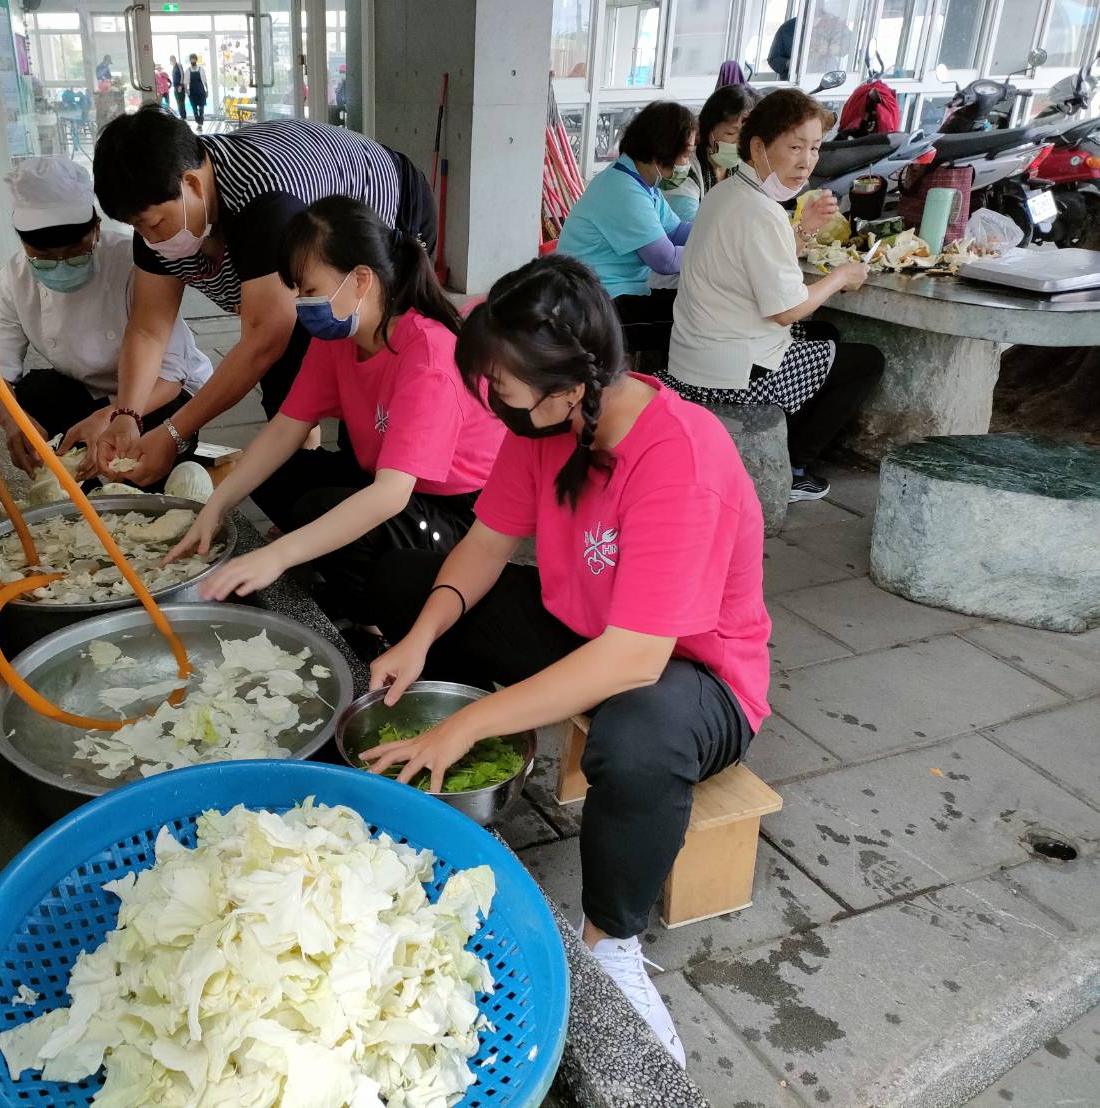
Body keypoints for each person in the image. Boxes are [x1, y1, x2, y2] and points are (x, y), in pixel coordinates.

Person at [362, 253, 771, 1069]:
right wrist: (416, 637)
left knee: (636, 739)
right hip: (589, 631)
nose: (493, 407)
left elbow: (634, 658)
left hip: (694, 676)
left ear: (567, 386)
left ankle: (612, 942)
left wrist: (471, 721)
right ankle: (440, 739)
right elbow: (483, 547)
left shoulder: (678, 457)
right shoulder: (546, 430)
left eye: (504, 392)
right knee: (411, 576)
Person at [166, 196, 503, 629]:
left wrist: (278, 556)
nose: (302, 304)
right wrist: (218, 504)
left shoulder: (428, 355)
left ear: (360, 279)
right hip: (386, 477)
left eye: (309, 290)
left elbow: (390, 495)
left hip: (456, 511)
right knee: (280, 476)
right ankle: (335, 568)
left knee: (328, 513)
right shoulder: (340, 339)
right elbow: (286, 428)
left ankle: (373, 625)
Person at [67, 106, 437, 488]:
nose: (151, 239)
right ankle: (309, 487)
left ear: (192, 184)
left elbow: (265, 340)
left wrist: (174, 433)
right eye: (137, 228)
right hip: (291, 243)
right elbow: (148, 328)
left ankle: (381, 489)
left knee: (370, 366)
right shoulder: (160, 211)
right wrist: (127, 414)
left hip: (389, 202)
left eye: (156, 224)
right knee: (291, 382)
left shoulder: (263, 201)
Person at [664, 89, 884, 502]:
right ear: (759, 146)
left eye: (815, 148)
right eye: (795, 147)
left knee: (825, 333)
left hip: (696, 355)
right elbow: (786, 310)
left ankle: (791, 445)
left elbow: (759, 263)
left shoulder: (729, 193)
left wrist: (805, 231)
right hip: (731, 375)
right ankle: (795, 468)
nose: (807, 161)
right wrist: (840, 277)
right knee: (867, 360)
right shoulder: (758, 209)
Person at [0, 157, 212, 476]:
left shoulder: (133, 263)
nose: (60, 264)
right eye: (43, 257)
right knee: (31, 396)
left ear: (96, 229)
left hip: (158, 394)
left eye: (74, 253)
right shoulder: (14, 278)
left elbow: (169, 375)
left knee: (140, 469)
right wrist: (11, 421)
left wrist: (115, 416)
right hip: (88, 390)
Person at [557, 101, 697, 354]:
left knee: (700, 307)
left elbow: (675, 231)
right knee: (697, 319)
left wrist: (716, 231)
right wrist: (718, 252)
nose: (686, 162)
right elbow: (665, 260)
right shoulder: (622, 189)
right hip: (596, 306)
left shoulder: (642, 182)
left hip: (615, 293)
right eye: (685, 153)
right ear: (662, 150)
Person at [660, 84, 759, 222]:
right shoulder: (683, 169)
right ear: (709, 129)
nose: (739, 142)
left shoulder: (745, 167)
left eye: (746, 134)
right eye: (730, 133)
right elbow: (689, 227)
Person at [186, 54, 208, 129]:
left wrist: (207, 90)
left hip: (201, 91)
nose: (193, 61)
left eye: (194, 59)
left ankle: (200, 124)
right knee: (195, 110)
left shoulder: (201, 69)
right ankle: (198, 122)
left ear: (196, 60)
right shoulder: (188, 70)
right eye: (191, 59)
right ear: (190, 61)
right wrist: (187, 91)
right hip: (192, 93)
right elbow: (185, 82)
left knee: (201, 109)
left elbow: (205, 80)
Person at [170, 55, 188, 121]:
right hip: (175, 87)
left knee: (181, 102)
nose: (172, 60)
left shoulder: (178, 65)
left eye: (173, 59)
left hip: (180, 87)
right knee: (178, 102)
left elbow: (182, 75)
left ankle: (183, 116)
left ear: (175, 59)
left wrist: (180, 85)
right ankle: (182, 116)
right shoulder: (173, 67)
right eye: (171, 60)